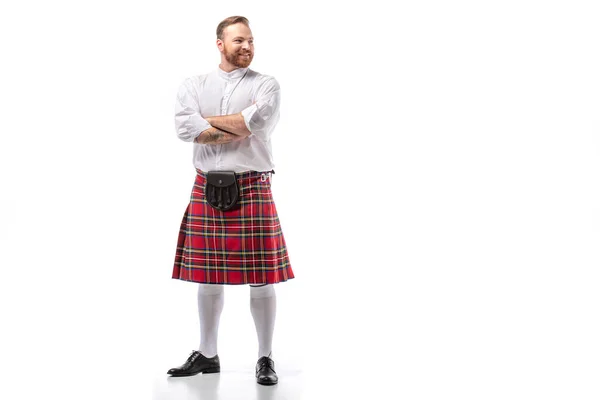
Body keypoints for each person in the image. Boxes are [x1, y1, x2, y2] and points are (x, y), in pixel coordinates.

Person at [166, 16, 294, 386]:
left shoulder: (267, 85)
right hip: (206, 185)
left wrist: (208, 123)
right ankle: (207, 354)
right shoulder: (194, 84)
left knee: (262, 278)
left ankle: (265, 357)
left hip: (252, 185)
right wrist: (237, 122)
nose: (247, 47)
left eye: (251, 40)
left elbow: (257, 123)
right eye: (239, 40)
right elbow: (183, 129)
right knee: (206, 277)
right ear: (220, 44)